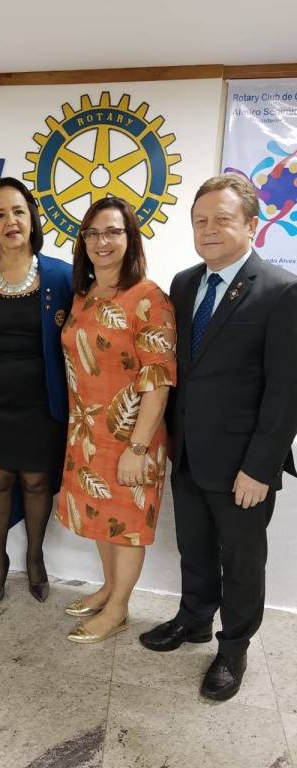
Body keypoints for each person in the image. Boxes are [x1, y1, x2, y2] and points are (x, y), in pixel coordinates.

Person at [139, 174, 297, 701]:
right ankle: (194, 619)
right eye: (200, 221)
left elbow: (286, 394)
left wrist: (260, 468)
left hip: (242, 466)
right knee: (195, 548)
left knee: (243, 562)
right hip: (187, 453)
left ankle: (234, 647)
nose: (208, 229)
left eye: (222, 220)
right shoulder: (184, 283)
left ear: (251, 225)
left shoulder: (280, 290)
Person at [57, 197, 176, 644]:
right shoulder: (84, 294)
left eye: (112, 232)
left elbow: (158, 380)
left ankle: (119, 609)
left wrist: (138, 448)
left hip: (132, 437)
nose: (101, 242)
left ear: (130, 239)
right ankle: (109, 589)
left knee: (127, 527)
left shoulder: (149, 298)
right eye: (92, 233)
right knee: (102, 518)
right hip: (88, 432)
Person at [0, 177, 73, 606]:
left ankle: (35, 557)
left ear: (33, 219)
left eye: (18, 212)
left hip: (42, 402)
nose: (10, 221)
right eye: (0, 214)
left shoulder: (61, 274)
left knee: (38, 481)